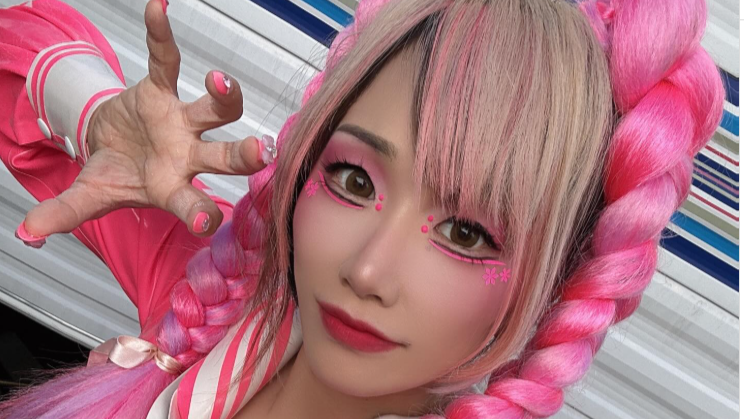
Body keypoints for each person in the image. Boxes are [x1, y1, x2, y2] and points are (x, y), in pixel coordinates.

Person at [0, 0, 725, 418]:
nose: (368, 269)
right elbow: (15, 46)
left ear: (557, 286)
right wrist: (92, 116)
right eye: (353, 180)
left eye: (467, 232)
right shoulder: (215, 305)